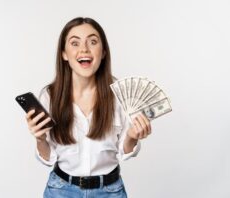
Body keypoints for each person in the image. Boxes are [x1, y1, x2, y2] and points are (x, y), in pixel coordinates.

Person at [25, 17, 152, 198]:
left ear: (103, 52)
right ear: (64, 54)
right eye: (75, 43)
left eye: (92, 41)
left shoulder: (120, 95)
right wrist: (39, 139)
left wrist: (132, 136)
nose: (84, 49)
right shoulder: (49, 96)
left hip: (109, 191)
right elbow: (49, 158)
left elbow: (125, 152)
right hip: (61, 190)